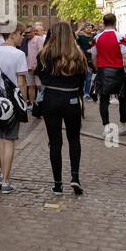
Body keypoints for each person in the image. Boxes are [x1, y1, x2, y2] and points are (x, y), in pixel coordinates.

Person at [36, 22, 87, 196]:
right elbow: (82, 79)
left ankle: (58, 184)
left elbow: (41, 76)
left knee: (55, 142)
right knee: (74, 139)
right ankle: (75, 177)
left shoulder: (44, 54)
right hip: (71, 97)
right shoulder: (78, 54)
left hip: (51, 98)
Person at [0, 23, 30, 195]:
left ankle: (2, 175)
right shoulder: (19, 54)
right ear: (13, 33)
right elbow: (20, 82)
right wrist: (24, 103)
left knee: (2, 139)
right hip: (12, 103)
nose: (22, 38)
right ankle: (5, 180)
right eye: (21, 34)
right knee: (10, 140)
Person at [92, 14, 126, 136]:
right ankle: (122, 126)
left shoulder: (97, 38)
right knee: (123, 99)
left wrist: (97, 69)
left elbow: (94, 57)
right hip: (118, 71)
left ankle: (106, 128)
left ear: (103, 23)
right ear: (115, 23)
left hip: (103, 71)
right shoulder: (121, 37)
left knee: (103, 101)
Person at [76, 23, 96, 98]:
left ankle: (87, 93)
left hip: (91, 59)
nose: (89, 29)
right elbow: (73, 36)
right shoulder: (81, 36)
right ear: (84, 29)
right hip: (81, 59)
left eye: (90, 27)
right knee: (82, 77)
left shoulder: (94, 36)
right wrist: (79, 28)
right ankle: (81, 92)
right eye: (87, 28)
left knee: (89, 77)